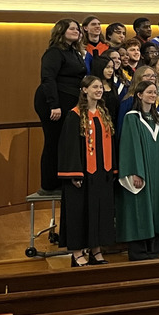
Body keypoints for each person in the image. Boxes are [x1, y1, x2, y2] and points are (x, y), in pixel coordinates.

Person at [57, 75, 116, 266]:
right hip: (82, 175)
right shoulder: (74, 115)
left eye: (101, 87)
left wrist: (112, 169)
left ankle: (95, 250)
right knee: (78, 213)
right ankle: (77, 253)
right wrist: (74, 173)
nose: (99, 90)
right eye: (95, 87)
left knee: (99, 212)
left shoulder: (103, 114)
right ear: (84, 90)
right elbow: (70, 146)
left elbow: (110, 143)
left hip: (101, 173)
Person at [117, 81, 159, 260]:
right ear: (139, 95)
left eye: (155, 92)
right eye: (149, 92)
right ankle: (139, 251)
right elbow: (129, 147)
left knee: (157, 209)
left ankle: (154, 249)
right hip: (142, 173)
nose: (152, 95)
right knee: (140, 209)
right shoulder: (131, 118)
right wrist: (135, 172)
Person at [35, 18, 88, 195]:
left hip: (68, 101)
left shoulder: (74, 52)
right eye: (72, 28)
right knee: (53, 140)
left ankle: (61, 179)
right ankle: (49, 184)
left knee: (64, 141)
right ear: (61, 31)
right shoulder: (54, 52)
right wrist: (54, 105)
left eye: (78, 29)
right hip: (53, 102)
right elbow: (47, 78)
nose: (77, 31)